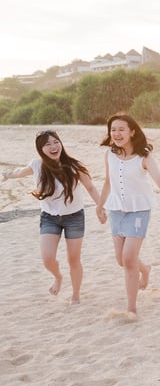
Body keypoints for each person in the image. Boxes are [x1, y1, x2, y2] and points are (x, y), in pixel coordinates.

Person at [96, 113, 160, 316]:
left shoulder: (143, 157)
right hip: (116, 210)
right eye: (113, 130)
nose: (117, 134)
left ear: (132, 132)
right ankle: (145, 270)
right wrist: (99, 206)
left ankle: (131, 308)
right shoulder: (109, 154)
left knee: (128, 259)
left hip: (139, 211)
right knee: (121, 260)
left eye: (121, 129)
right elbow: (108, 182)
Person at [1, 130, 100, 304]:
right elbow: (19, 172)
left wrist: (101, 207)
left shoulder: (74, 165)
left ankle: (76, 294)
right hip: (49, 217)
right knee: (47, 258)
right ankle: (58, 277)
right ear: (41, 149)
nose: (53, 147)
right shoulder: (37, 165)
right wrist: (7, 175)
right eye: (47, 144)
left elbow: (90, 188)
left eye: (56, 142)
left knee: (73, 259)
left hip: (74, 217)